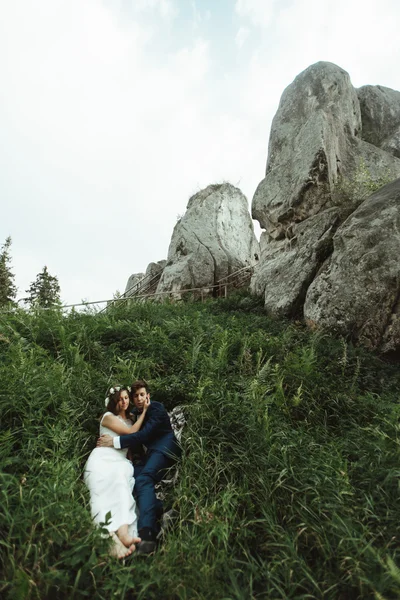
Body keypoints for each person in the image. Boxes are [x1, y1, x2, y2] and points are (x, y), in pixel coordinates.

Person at [97, 379, 181, 555]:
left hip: (164, 449)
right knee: (131, 479)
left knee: (144, 479)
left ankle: (147, 535)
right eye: (136, 396)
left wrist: (113, 441)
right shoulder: (135, 414)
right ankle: (159, 509)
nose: (139, 399)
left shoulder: (156, 408)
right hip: (149, 456)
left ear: (148, 396)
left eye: (142, 395)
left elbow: (143, 435)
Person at [84, 385, 149, 559]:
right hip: (103, 458)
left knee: (122, 485)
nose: (124, 402)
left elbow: (130, 443)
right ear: (113, 401)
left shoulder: (131, 418)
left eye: (126, 398)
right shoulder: (108, 417)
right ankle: (108, 537)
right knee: (102, 491)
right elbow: (129, 434)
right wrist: (144, 413)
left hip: (121, 461)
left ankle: (123, 532)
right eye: (120, 399)